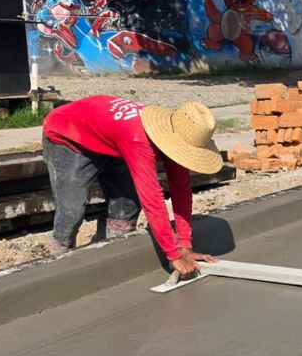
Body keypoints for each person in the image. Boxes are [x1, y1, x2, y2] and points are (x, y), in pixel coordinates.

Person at [42, 96, 222, 277]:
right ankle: (60, 269)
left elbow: (181, 190)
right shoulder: (139, 140)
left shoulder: (179, 138)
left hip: (111, 136)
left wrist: (185, 245)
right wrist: (174, 255)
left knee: (126, 208)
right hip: (68, 135)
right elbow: (152, 200)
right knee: (71, 212)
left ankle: (111, 260)